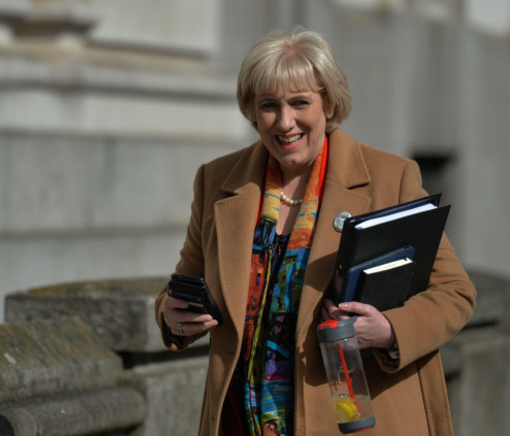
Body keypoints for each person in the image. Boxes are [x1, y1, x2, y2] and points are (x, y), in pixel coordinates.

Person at [155, 26, 476, 436]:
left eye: (300, 102)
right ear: (253, 111)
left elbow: (455, 291)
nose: (284, 122)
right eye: (269, 105)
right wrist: (171, 315)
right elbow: (183, 285)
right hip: (242, 422)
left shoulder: (389, 177)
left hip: (354, 422)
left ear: (329, 103)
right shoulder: (215, 180)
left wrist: (389, 330)